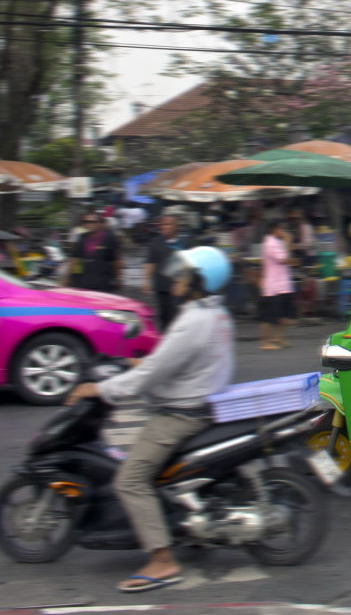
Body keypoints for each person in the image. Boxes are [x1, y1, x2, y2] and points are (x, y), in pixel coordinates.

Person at [65, 246, 234, 593]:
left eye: (183, 274)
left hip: (179, 414)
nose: (175, 278)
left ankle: (162, 560)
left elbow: (151, 376)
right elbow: (173, 363)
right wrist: (141, 366)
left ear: (199, 282)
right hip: (199, 401)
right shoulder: (215, 314)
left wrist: (99, 388)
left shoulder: (193, 321)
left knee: (129, 480)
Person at [142, 214, 189, 331]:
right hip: (161, 286)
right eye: (163, 224)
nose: (165, 227)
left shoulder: (184, 243)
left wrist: (185, 283)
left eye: (168, 224)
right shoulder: (155, 242)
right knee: (163, 317)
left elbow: (189, 264)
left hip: (177, 287)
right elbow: (150, 263)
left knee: (176, 317)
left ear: (176, 226)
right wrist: (146, 281)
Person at [259, 220, 295, 350]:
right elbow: (284, 259)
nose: (283, 232)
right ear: (274, 230)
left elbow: (287, 257)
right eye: (281, 229)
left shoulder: (278, 242)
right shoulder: (270, 243)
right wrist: (289, 241)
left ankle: (278, 338)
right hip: (272, 287)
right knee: (269, 317)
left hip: (283, 284)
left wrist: (287, 243)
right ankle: (265, 342)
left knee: (284, 315)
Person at [65, 211, 122, 291]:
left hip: (103, 282)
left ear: (99, 223)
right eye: (86, 222)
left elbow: (116, 261)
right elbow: (74, 258)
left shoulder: (109, 238)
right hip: (83, 281)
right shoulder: (82, 238)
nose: (89, 224)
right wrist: (67, 276)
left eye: (93, 222)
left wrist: (118, 278)